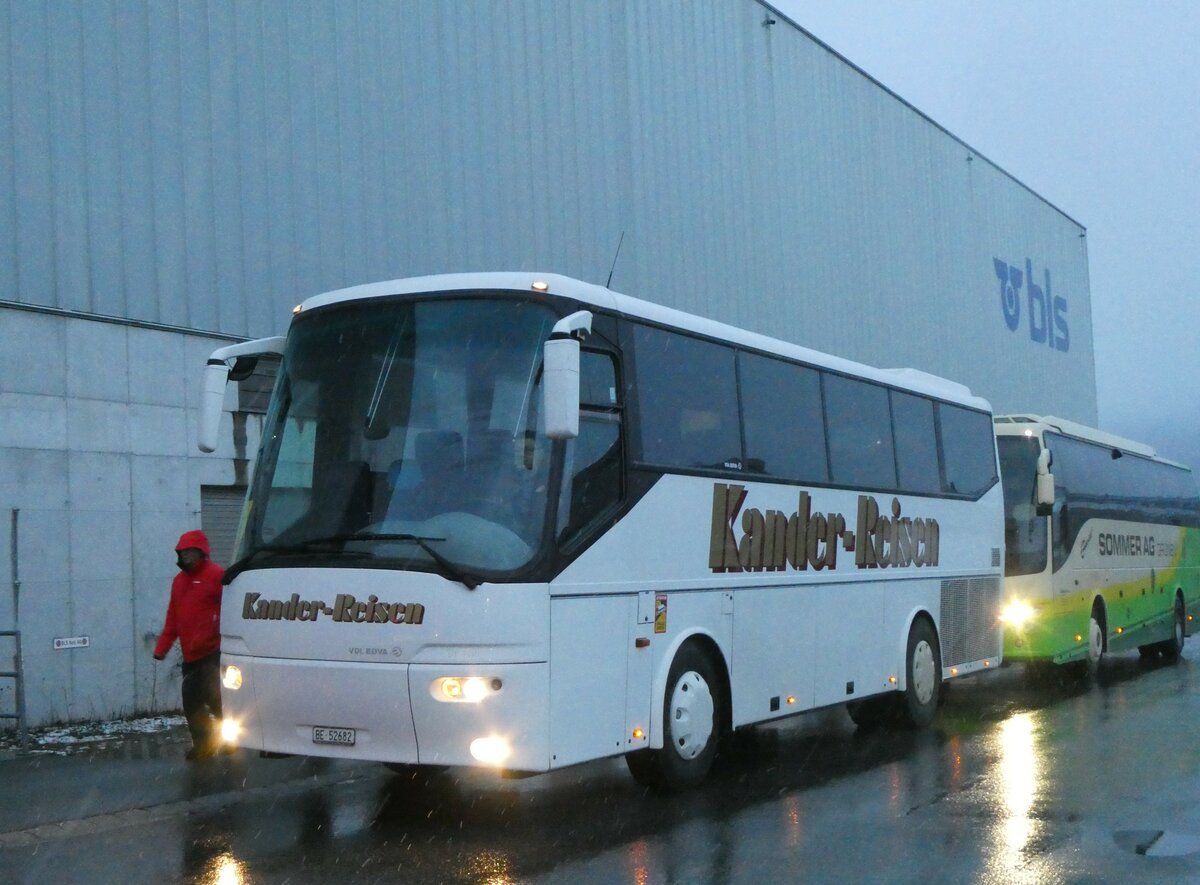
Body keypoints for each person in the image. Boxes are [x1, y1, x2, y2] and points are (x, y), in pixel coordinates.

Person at [153, 530, 226, 760]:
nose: (185, 556)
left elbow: (231, 610)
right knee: (192, 703)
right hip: (191, 656)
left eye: (189, 552)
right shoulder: (179, 582)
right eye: (182, 552)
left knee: (216, 701)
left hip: (213, 652)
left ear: (201, 552)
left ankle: (231, 740)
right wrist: (162, 647)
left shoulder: (218, 576)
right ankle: (203, 745)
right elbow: (173, 618)